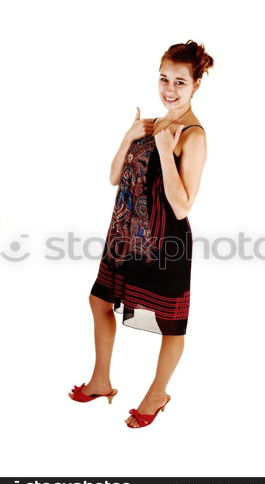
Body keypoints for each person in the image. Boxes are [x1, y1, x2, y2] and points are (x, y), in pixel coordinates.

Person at [69, 40, 214, 428]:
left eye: (180, 82)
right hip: (123, 235)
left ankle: (157, 393)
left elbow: (183, 205)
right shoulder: (152, 123)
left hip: (163, 244)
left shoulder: (193, 135)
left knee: (170, 323)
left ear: (197, 84)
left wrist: (167, 151)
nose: (169, 89)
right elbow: (115, 177)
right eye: (164, 79)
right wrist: (129, 135)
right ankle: (101, 381)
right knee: (98, 301)